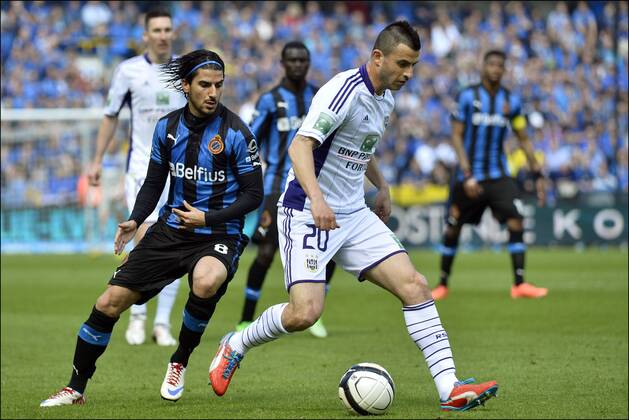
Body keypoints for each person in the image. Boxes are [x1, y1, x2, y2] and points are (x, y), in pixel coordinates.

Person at [208, 21, 498, 412]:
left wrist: (383, 185)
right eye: (403, 64)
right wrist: (318, 200)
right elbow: (300, 147)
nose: (409, 74)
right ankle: (236, 343)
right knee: (304, 313)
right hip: (307, 212)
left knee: (415, 285)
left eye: (413, 66)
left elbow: (363, 145)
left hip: (354, 214)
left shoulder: (386, 98)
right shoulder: (342, 91)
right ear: (378, 57)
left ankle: (449, 388)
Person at [40, 49, 263, 407]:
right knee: (108, 302)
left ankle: (179, 361)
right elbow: (154, 181)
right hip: (171, 231)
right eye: (204, 85)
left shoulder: (236, 132)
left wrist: (208, 218)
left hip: (220, 234)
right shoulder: (167, 128)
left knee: (205, 281)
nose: (213, 93)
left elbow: (255, 195)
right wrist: (135, 217)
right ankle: (75, 389)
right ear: (186, 86)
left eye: (219, 86)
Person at [87, 10, 187, 346]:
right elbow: (110, 115)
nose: (162, 35)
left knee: (176, 242)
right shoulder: (128, 71)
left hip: (181, 173)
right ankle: (138, 316)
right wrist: (97, 160)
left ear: (173, 33)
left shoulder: (184, 71)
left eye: (167, 29)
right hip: (141, 171)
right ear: (145, 34)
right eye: (156, 29)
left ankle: (161, 323)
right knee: (144, 236)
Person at [236, 41, 336, 338]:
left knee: (326, 251)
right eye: (292, 60)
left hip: (315, 185)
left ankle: (315, 313)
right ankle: (245, 319)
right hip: (277, 185)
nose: (297, 65)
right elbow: (251, 142)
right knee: (266, 252)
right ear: (282, 63)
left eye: (303, 60)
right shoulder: (270, 100)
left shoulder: (320, 96)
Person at [431, 50, 548, 301]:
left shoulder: (511, 101)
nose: (495, 69)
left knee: (516, 220)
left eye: (500, 65)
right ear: (483, 67)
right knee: (453, 228)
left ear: (504, 70)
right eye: (491, 64)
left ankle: (519, 284)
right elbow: (456, 137)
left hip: (498, 175)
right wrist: (466, 173)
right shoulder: (466, 96)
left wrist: (537, 171)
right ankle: (442, 284)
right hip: (468, 175)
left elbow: (523, 138)